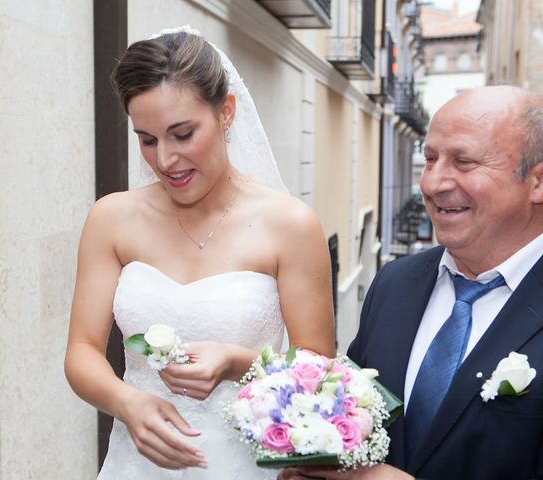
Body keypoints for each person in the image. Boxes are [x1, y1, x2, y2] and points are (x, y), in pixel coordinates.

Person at [64, 27, 335, 479]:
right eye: (147, 140)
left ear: (226, 112)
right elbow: (82, 349)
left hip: (247, 461)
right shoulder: (110, 218)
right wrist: (127, 402)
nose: (166, 159)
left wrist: (238, 363)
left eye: (182, 134)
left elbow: (318, 369)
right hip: (138, 462)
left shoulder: (290, 225)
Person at [279, 85, 543, 480]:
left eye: (464, 162)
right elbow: (352, 423)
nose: (433, 184)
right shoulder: (393, 283)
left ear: (537, 182)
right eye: (430, 159)